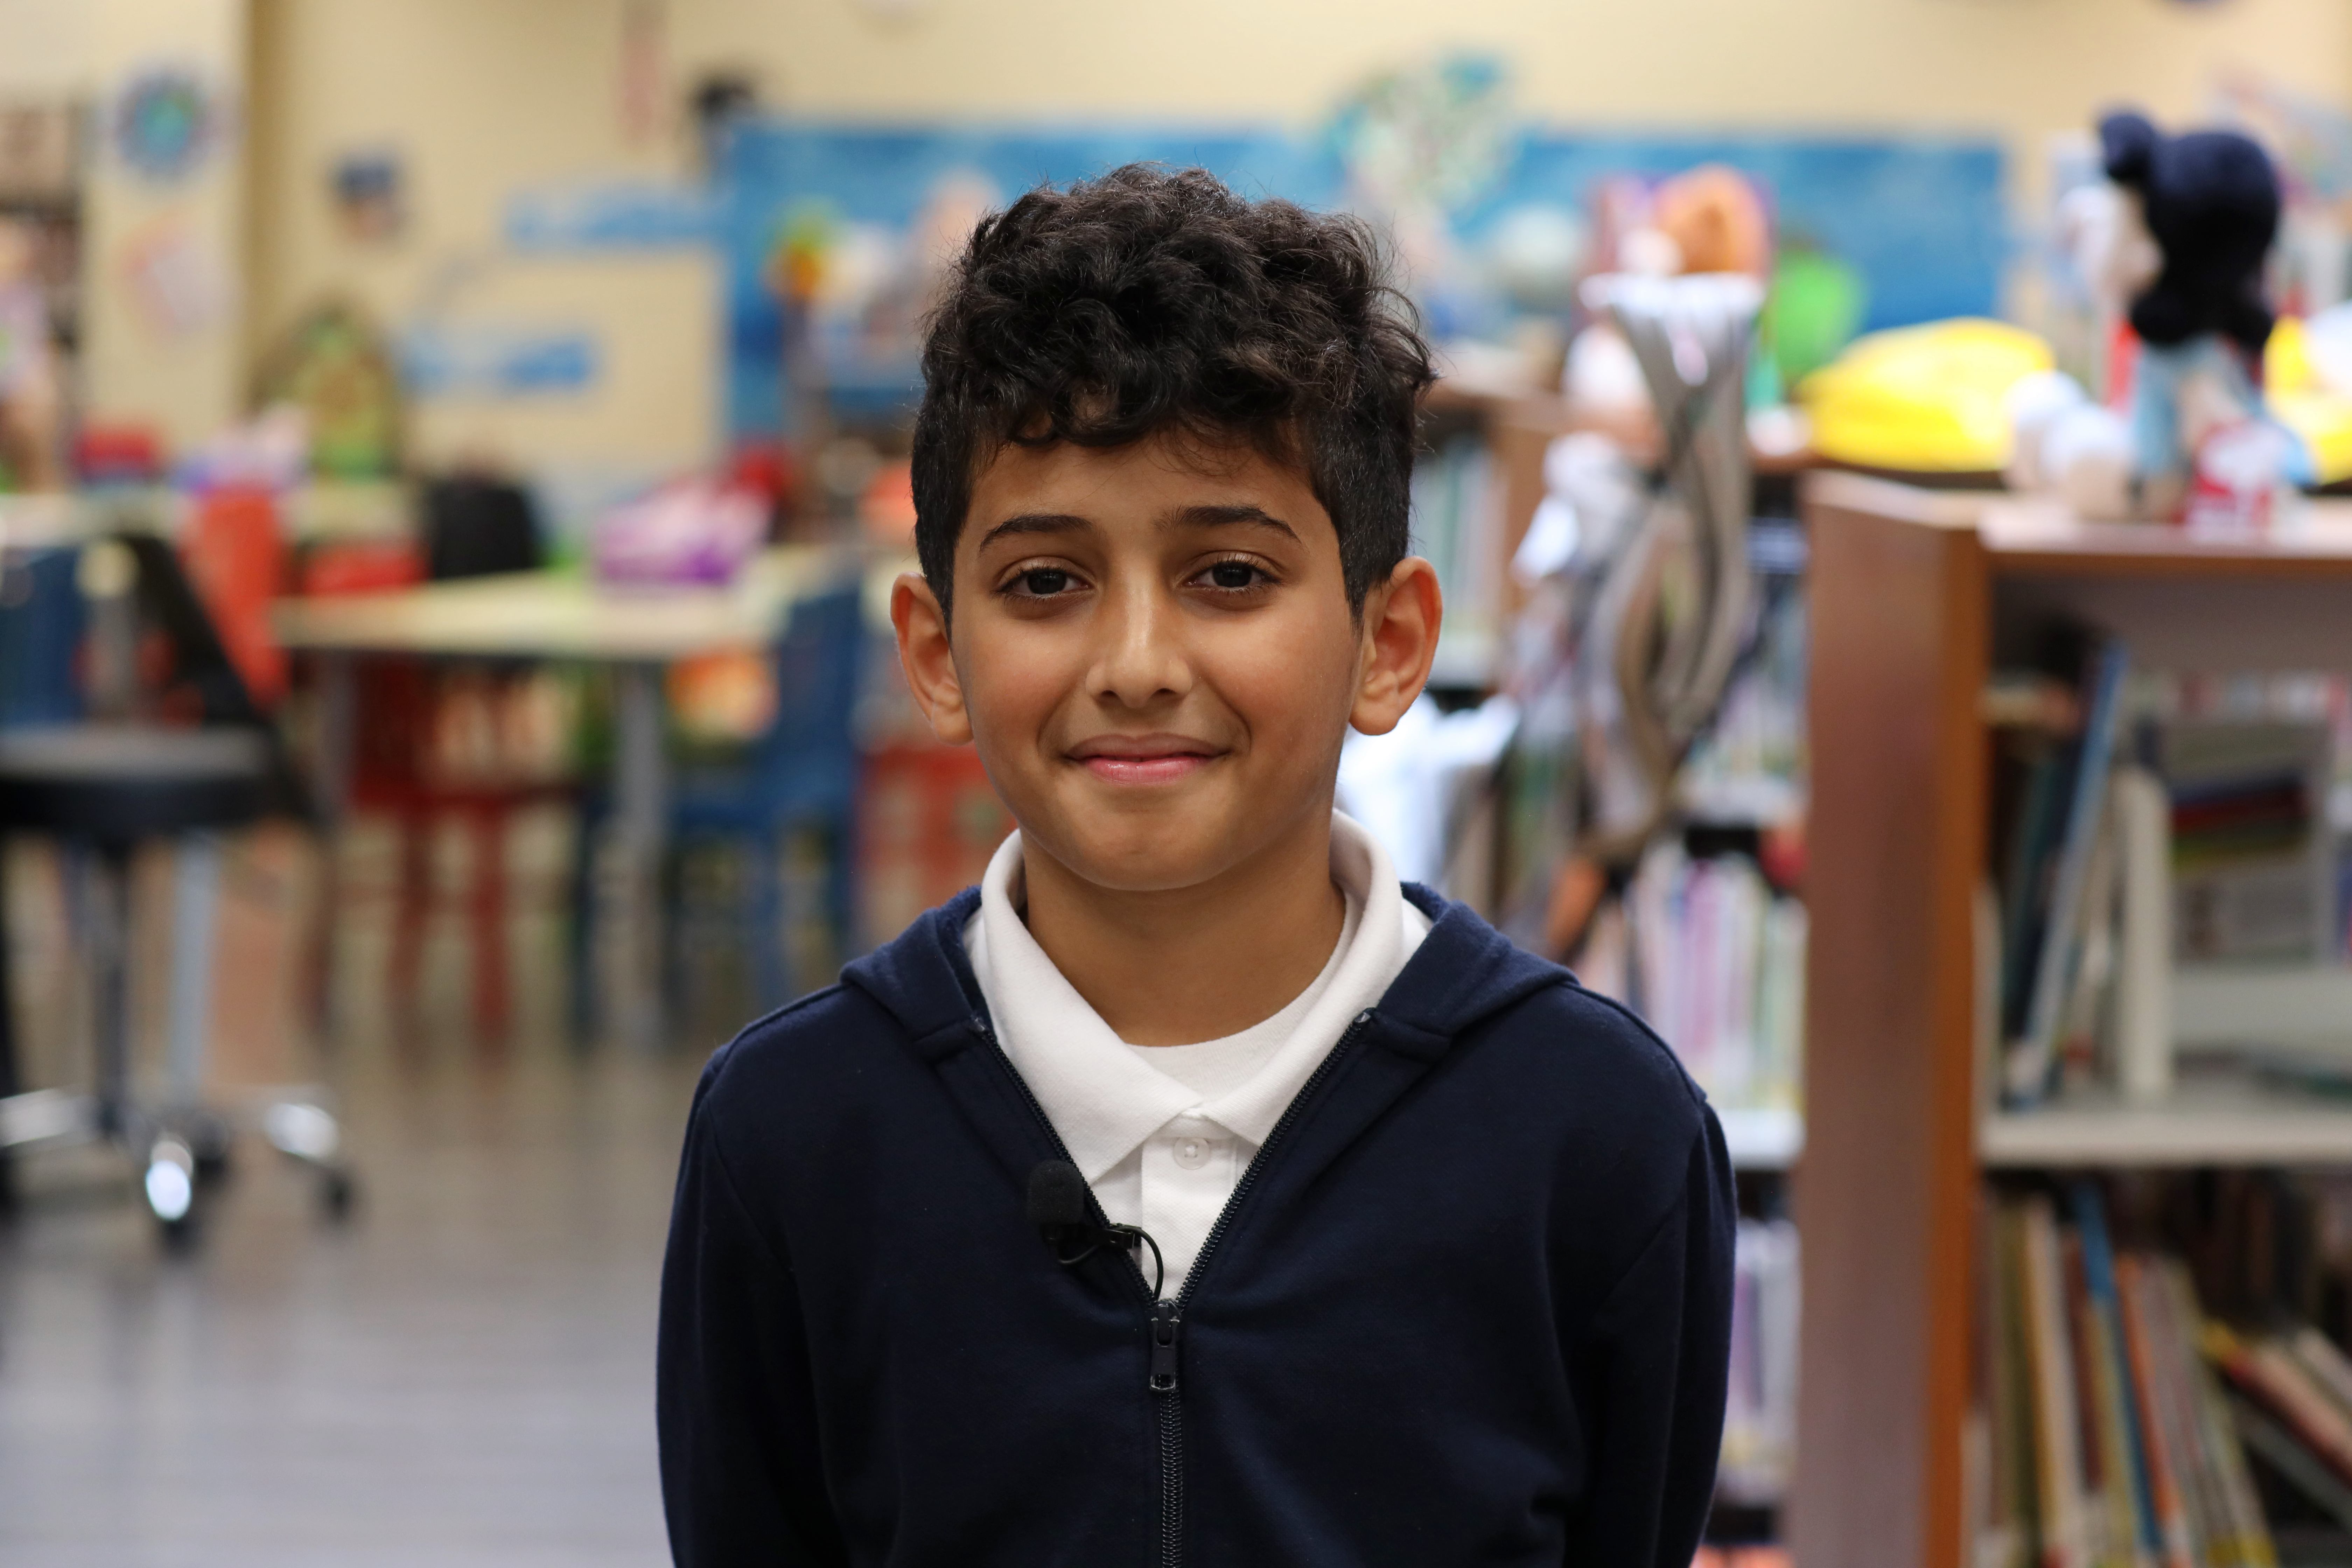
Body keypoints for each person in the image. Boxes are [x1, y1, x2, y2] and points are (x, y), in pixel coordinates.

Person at [658, 164, 1735, 1567]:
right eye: (1047, 582)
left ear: (1390, 642)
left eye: (1229, 574)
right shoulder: (795, 1132)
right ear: (936, 653)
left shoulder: (1599, 1134)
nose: (1139, 666)